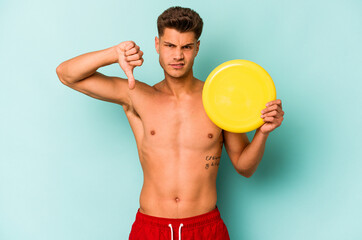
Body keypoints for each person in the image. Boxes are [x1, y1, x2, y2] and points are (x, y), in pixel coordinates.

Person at [56, 6, 284, 240]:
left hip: (205, 228)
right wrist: (114, 54)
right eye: (170, 46)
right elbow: (66, 74)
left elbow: (244, 167)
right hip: (151, 228)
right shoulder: (136, 95)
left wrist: (262, 133)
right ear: (157, 45)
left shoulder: (218, 99)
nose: (178, 56)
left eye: (186, 47)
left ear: (197, 48)